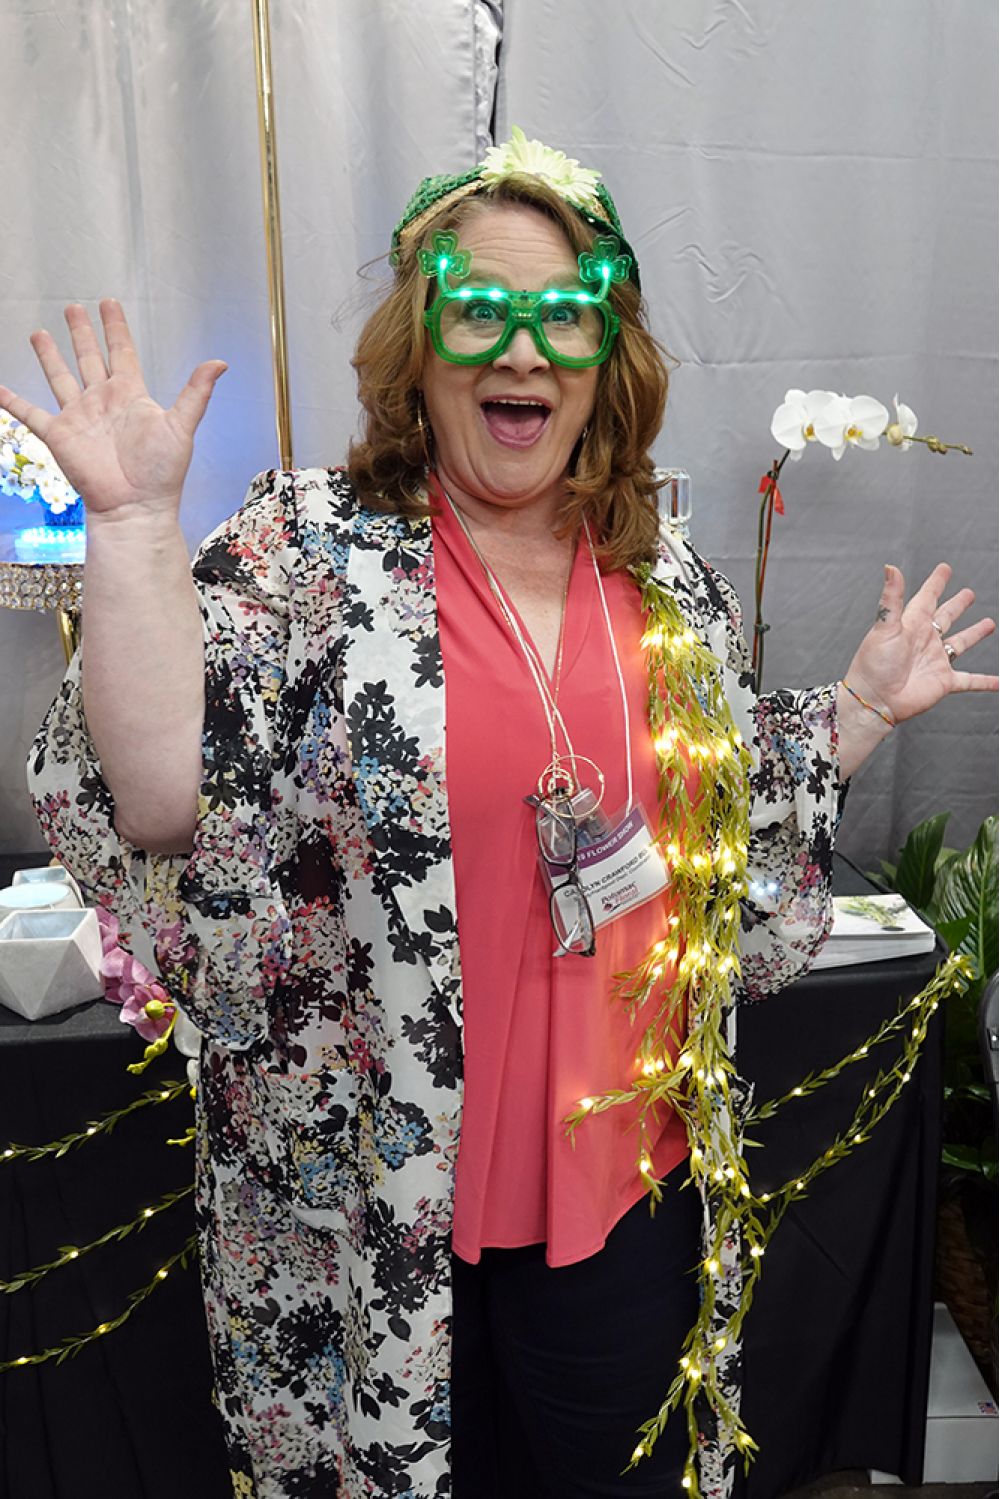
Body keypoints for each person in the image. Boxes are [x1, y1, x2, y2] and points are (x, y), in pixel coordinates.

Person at [5, 131, 996, 1499]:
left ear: (605, 356)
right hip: (369, 1211)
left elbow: (726, 818)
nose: (522, 349)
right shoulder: (310, 553)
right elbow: (167, 796)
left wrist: (863, 708)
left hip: (624, 1198)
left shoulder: (666, 581)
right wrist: (129, 531)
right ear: (421, 346)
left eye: (564, 314)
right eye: (479, 309)